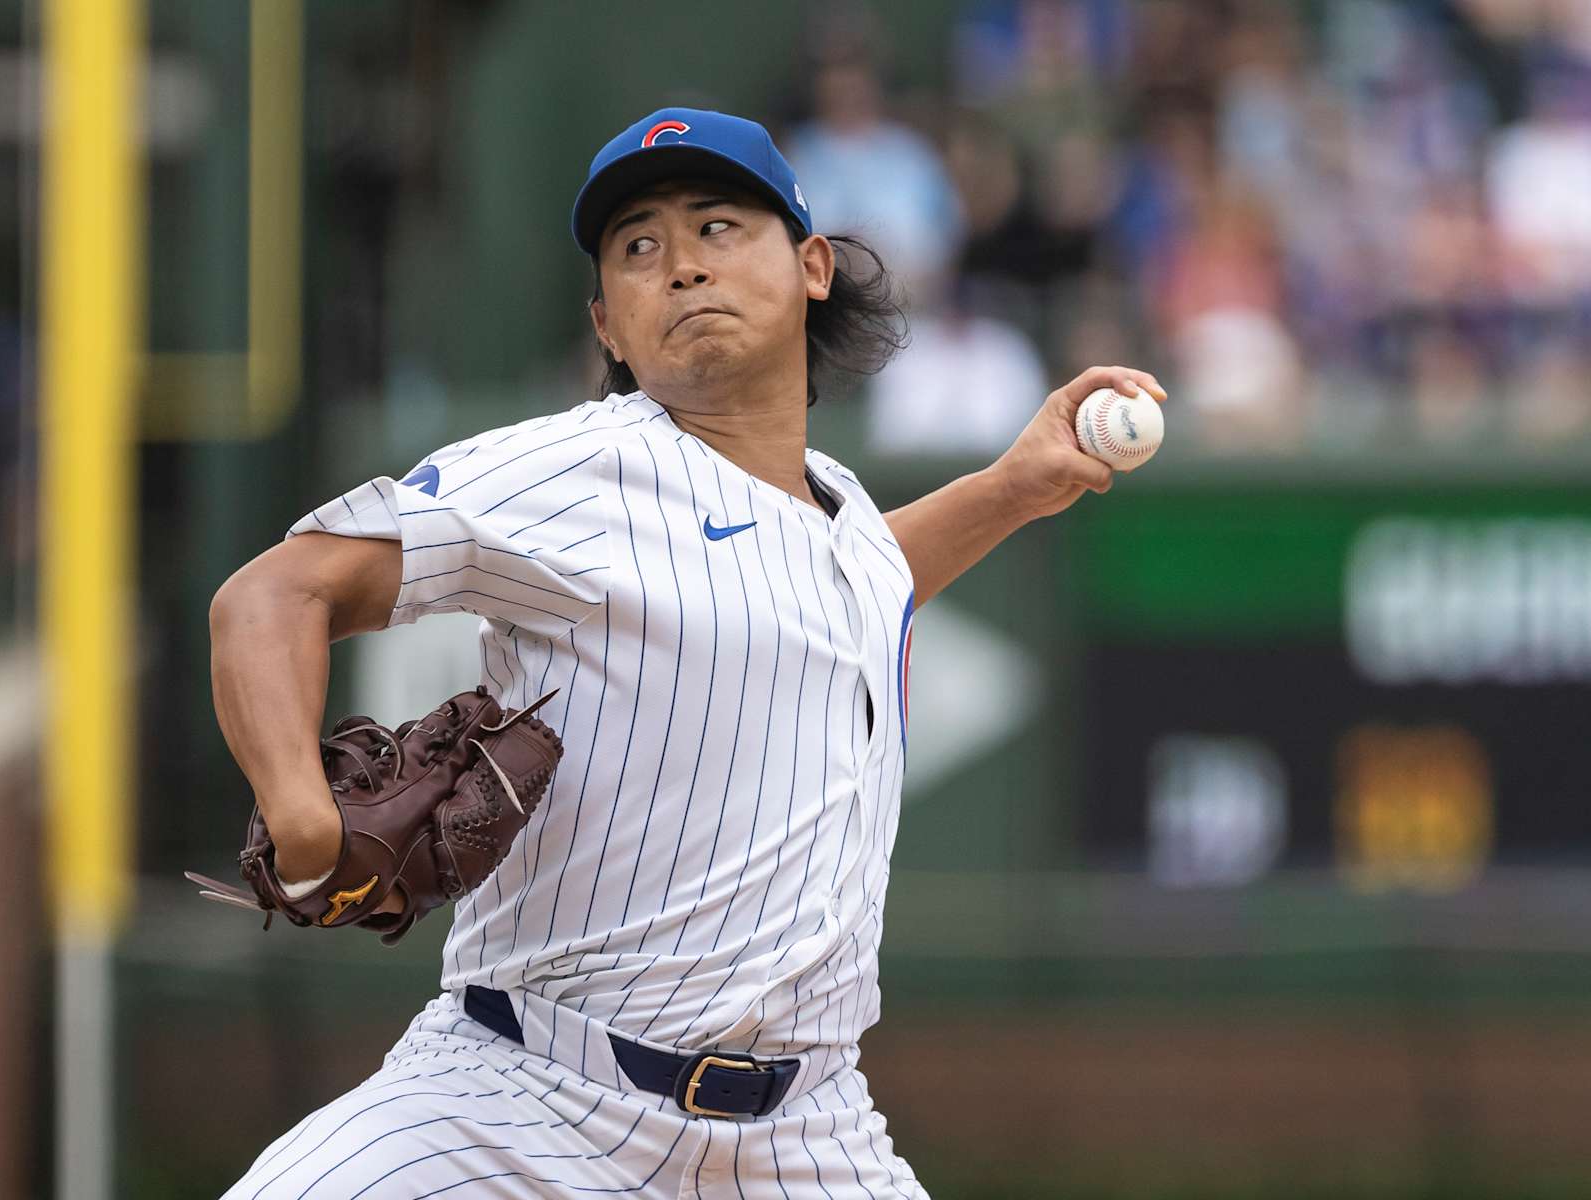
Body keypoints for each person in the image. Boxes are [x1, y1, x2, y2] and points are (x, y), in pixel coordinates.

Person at [208, 106, 1165, 1198]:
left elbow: (839, 585)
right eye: (639, 249)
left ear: (811, 266)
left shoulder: (840, 516)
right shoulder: (572, 473)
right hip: (522, 1111)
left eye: (719, 226)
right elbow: (273, 593)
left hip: (809, 1137)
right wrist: (298, 811)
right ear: (607, 325)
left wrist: (1009, 490)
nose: (682, 267)